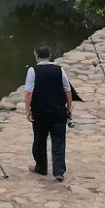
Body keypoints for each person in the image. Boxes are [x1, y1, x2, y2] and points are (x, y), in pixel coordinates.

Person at [25, 45, 73, 181]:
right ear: (50, 55)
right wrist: (69, 107)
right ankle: (59, 171)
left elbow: (28, 92)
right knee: (59, 141)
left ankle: (41, 167)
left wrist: (27, 109)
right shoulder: (60, 70)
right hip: (58, 111)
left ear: (37, 56)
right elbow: (67, 90)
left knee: (39, 140)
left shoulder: (32, 71)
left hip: (40, 113)